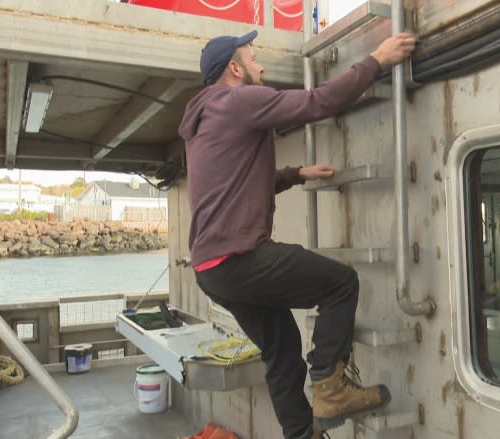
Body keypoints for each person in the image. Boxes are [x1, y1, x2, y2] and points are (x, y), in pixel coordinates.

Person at [178, 30, 416, 439]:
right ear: (235, 68)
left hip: (211, 269)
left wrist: (295, 174)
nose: (262, 66)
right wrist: (377, 59)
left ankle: (301, 434)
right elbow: (316, 102)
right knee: (340, 284)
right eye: (254, 58)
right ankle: (331, 386)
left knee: (282, 350)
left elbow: (235, 182)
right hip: (239, 257)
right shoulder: (238, 101)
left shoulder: (203, 120)